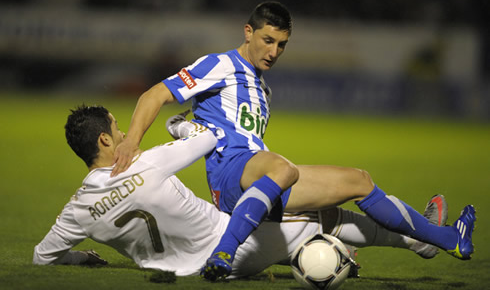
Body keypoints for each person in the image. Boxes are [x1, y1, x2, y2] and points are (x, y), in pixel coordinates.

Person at [110, 1, 476, 280]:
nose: (273, 52)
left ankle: (443, 240)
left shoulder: (262, 89)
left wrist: (187, 126)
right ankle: (223, 252)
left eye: (282, 45)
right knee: (283, 168)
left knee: (357, 184)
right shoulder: (219, 65)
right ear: (248, 32)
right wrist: (132, 142)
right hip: (232, 174)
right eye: (267, 40)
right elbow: (155, 94)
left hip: (259, 178)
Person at [34, 105, 451, 278]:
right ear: (106, 143)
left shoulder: (77, 210)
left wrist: (82, 258)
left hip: (180, 271)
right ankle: (420, 242)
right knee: (327, 208)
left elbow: (42, 257)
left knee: (292, 214)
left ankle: (323, 251)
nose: (126, 134)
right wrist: (178, 125)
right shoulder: (147, 163)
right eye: (118, 130)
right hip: (233, 247)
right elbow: (210, 137)